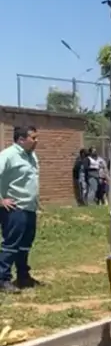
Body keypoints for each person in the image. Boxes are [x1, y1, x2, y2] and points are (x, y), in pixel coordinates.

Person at [0, 126, 42, 293]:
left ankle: (23, 277)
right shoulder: (8, 155)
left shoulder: (31, 155)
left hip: (29, 208)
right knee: (11, 245)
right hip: (14, 209)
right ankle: (2, 279)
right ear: (21, 139)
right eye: (33, 137)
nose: (36, 140)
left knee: (25, 245)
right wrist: (1, 200)